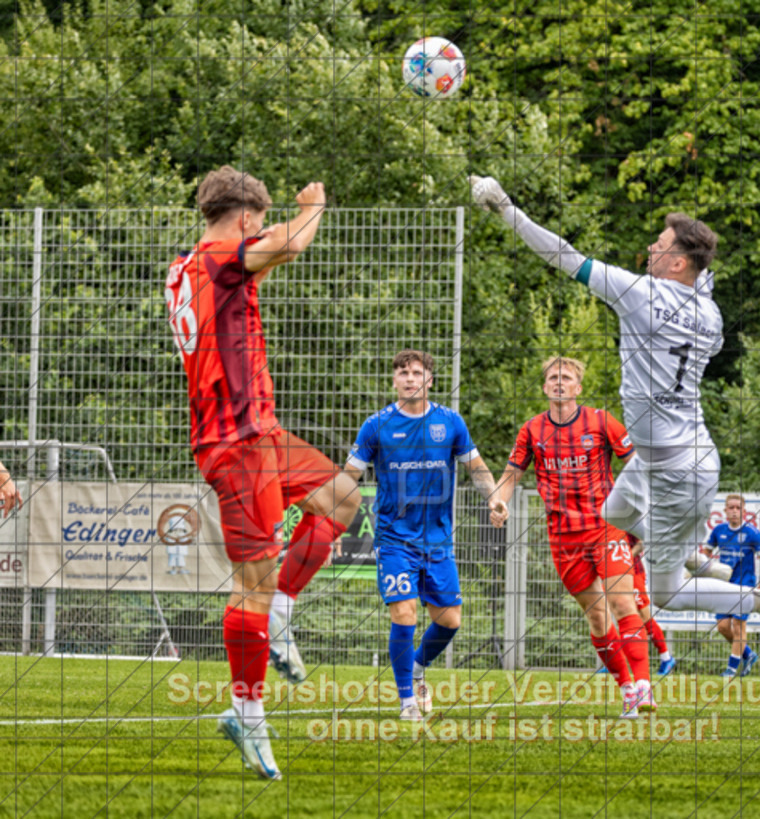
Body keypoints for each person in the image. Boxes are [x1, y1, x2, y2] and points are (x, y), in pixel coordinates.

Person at [468, 174, 760, 629]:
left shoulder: (639, 294)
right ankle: (693, 556)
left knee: (667, 593)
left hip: (672, 470)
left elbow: (562, 254)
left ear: (677, 263)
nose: (651, 247)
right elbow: (700, 285)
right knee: (610, 514)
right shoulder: (710, 316)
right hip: (682, 457)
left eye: (661, 244)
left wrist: (507, 207)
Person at [165, 166, 362, 780]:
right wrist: (313, 205)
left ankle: (281, 610)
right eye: (260, 217)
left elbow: (262, 264)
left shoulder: (189, 264)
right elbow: (291, 243)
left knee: (342, 496)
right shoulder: (225, 253)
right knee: (251, 581)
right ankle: (245, 715)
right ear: (246, 218)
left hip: (262, 433)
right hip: (238, 442)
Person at [344, 350, 508, 721]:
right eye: (402, 372)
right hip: (394, 539)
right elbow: (346, 479)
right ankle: (407, 702)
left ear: (429, 380)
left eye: (417, 372)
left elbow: (477, 468)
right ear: (394, 380)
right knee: (404, 614)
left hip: (438, 542)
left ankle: (418, 668)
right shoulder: (376, 426)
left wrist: (495, 498)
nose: (409, 378)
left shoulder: (450, 423)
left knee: (450, 621)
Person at [493, 356, 655, 717]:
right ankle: (626, 688)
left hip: (605, 526)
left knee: (622, 602)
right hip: (564, 538)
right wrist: (498, 502)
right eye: (553, 377)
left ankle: (644, 686)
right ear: (545, 387)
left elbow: (637, 466)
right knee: (597, 618)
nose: (559, 382)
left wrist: (642, 515)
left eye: (566, 377)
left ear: (578, 387)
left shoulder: (600, 421)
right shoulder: (532, 430)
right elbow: (510, 475)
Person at [704, 494, 760, 678]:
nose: (734, 511)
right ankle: (748, 654)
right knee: (723, 627)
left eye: (738, 508)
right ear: (725, 511)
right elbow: (706, 551)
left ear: (744, 511)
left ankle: (731, 670)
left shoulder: (752, 533)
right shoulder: (719, 531)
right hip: (724, 586)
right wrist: (705, 569)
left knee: (739, 625)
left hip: (744, 585)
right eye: (730, 508)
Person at [628, 538, 676, 676]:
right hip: (612, 573)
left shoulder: (625, 518)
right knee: (618, 616)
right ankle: (614, 663)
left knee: (644, 616)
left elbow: (642, 541)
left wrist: (625, 559)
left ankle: (666, 658)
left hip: (632, 572)